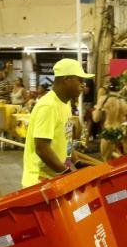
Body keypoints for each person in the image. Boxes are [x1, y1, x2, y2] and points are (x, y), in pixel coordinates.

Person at [20, 59, 92, 187]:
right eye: (80, 80)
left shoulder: (66, 103)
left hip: (55, 180)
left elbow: (67, 141)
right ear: (66, 79)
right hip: (40, 182)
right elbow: (42, 148)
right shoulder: (48, 105)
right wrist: (67, 173)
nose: (83, 85)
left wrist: (77, 164)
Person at [92, 78, 127, 162]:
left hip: (109, 131)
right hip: (122, 132)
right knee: (120, 156)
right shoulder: (124, 101)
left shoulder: (104, 99)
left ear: (108, 87)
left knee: (106, 160)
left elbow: (96, 119)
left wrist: (95, 111)